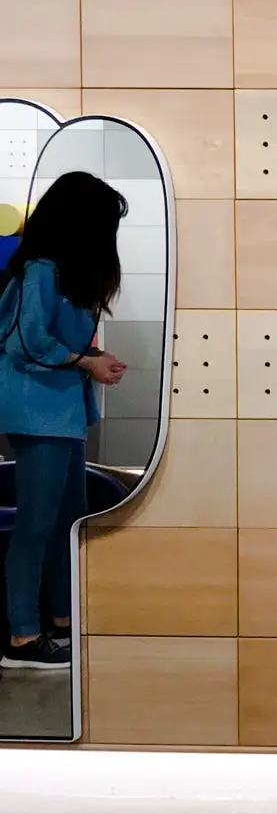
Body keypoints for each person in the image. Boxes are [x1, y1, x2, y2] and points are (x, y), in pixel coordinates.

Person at [0, 172, 127, 672]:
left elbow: (50, 340)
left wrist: (93, 358)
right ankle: (22, 637)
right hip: (38, 410)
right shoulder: (38, 271)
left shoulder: (61, 274)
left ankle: (60, 620)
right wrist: (87, 362)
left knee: (66, 519)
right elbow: (27, 344)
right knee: (37, 523)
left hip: (60, 411)